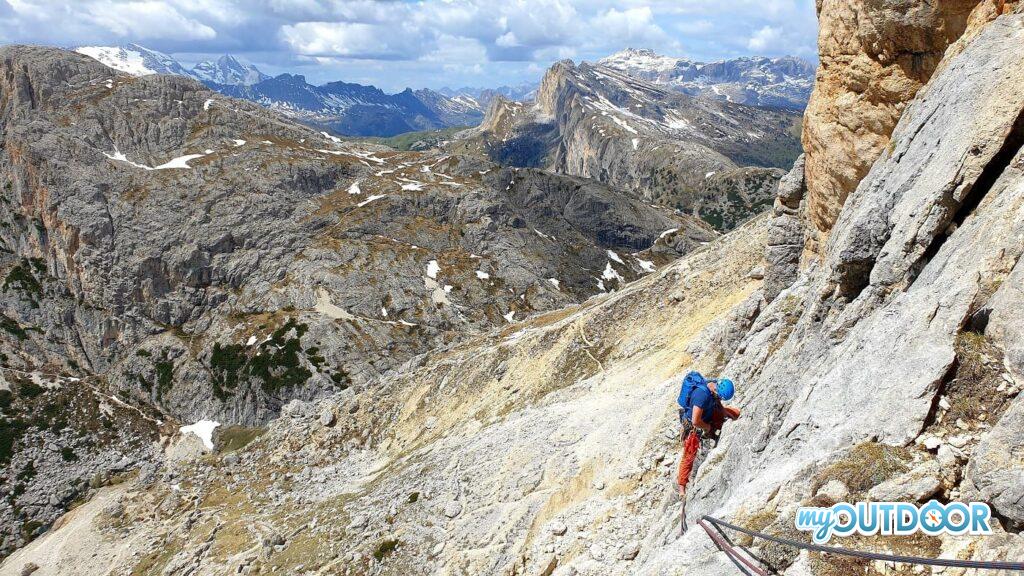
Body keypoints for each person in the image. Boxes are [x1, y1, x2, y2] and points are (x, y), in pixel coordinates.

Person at [676, 371, 741, 531]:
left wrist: (728, 414)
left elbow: (717, 406)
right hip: (694, 424)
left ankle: (730, 416)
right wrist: (710, 428)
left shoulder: (713, 386)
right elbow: (696, 421)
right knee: (689, 455)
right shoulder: (701, 395)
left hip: (706, 413)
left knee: (731, 412)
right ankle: (681, 487)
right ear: (717, 390)